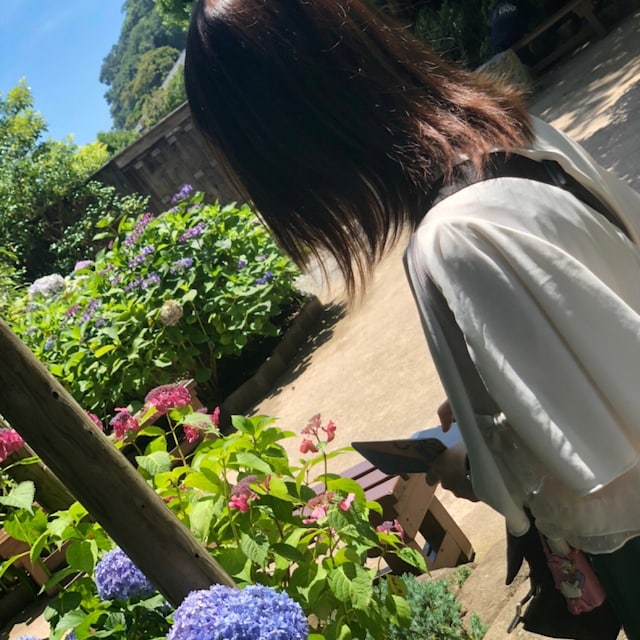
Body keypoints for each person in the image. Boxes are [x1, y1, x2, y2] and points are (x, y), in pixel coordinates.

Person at [184, 1, 640, 636]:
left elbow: (596, 466)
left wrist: (471, 468)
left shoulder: (454, 236)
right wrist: (491, 398)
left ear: (286, 144)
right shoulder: (512, 132)